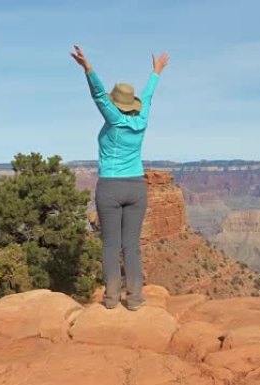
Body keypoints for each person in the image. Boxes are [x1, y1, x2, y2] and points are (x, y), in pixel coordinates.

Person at [70, 45, 169, 310]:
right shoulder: (142, 118)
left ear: (117, 103)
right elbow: (148, 96)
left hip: (111, 187)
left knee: (111, 245)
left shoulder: (113, 118)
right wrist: (156, 72)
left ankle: (112, 298)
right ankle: (135, 299)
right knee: (132, 246)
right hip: (137, 187)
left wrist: (88, 69)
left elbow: (99, 96)